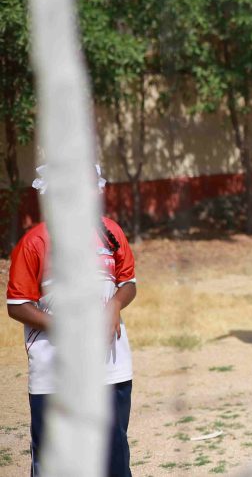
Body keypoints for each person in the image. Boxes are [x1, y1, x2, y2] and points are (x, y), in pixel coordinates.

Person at [6, 166, 136, 477]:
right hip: (54, 372)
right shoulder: (35, 242)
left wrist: (116, 304)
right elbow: (17, 305)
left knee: (113, 457)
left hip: (110, 366)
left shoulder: (110, 232)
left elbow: (128, 282)